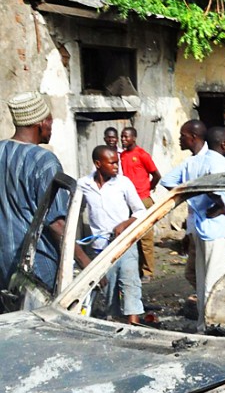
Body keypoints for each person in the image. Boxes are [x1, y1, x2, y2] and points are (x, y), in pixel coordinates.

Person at [1, 92, 86, 290]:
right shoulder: (44, 161)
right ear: (42, 122)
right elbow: (56, 224)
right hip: (35, 267)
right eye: (51, 121)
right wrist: (85, 262)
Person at [160, 121, 225, 327]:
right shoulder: (218, 162)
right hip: (218, 229)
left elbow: (167, 181)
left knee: (203, 282)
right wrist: (219, 203)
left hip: (201, 228)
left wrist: (193, 197)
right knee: (217, 281)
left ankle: (204, 324)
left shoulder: (192, 163)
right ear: (222, 144)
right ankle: (217, 326)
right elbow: (215, 188)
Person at [77, 145, 146, 323]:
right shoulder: (83, 185)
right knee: (109, 287)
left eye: (117, 162)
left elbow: (140, 211)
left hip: (125, 242)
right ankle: (113, 321)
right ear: (98, 164)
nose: (116, 166)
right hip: (100, 247)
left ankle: (134, 324)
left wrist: (125, 223)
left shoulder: (124, 183)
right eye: (112, 163)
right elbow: (77, 211)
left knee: (130, 283)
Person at [119, 127, 161, 281]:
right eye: (122, 137)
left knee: (146, 238)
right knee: (131, 237)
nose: (123, 139)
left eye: (126, 137)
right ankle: (135, 269)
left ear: (134, 138)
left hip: (142, 200)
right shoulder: (122, 156)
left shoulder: (142, 155)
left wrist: (148, 189)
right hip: (128, 201)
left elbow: (156, 175)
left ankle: (148, 272)